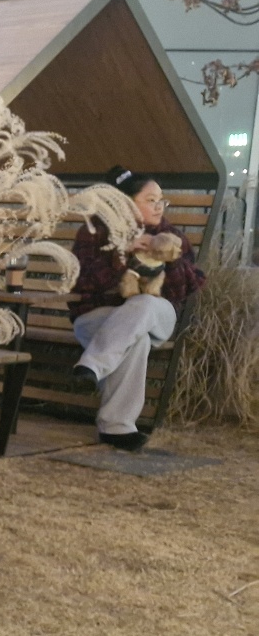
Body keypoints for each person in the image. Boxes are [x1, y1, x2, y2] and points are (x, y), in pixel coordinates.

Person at [70, 165, 204, 451]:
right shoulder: (95, 231)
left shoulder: (170, 234)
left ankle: (92, 365)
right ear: (126, 203)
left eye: (161, 200)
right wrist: (123, 252)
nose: (159, 206)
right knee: (136, 339)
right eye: (150, 200)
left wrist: (167, 257)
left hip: (157, 315)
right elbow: (83, 281)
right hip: (98, 317)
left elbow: (187, 287)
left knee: (142, 303)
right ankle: (117, 429)